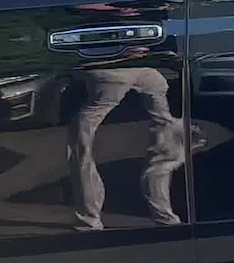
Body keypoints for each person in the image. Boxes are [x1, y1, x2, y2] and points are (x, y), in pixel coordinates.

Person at [65, 64, 184, 229]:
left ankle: (89, 220)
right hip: (149, 72)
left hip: (109, 71)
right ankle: (165, 217)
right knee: (164, 138)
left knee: (81, 147)